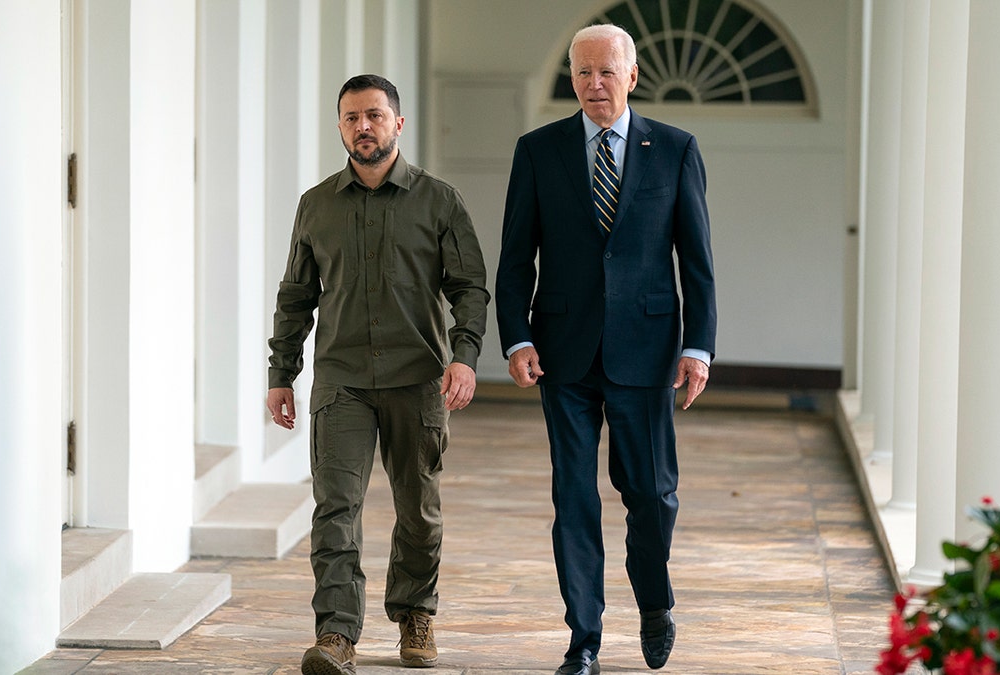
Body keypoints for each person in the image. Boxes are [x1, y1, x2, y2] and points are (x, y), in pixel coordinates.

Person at [494, 24, 717, 675]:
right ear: (572, 78)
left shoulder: (674, 150)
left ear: (633, 75)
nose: (594, 83)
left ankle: (654, 600)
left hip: (647, 353)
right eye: (583, 72)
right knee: (574, 496)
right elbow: (514, 258)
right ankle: (583, 639)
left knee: (650, 491)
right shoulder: (539, 150)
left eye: (606, 72)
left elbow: (697, 263)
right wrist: (517, 334)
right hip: (562, 351)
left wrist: (698, 346)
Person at [266, 74, 490, 675]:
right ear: (340, 126)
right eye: (350, 118)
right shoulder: (316, 206)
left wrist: (464, 356)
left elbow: (469, 287)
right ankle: (336, 633)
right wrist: (281, 371)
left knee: (418, 508)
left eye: (373, 115)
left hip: (417, 378)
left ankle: (415, 610)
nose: (362, 127)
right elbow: (295, 297)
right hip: (341, 380)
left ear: (398, 122)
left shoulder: (439, 201)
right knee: (335, 507)